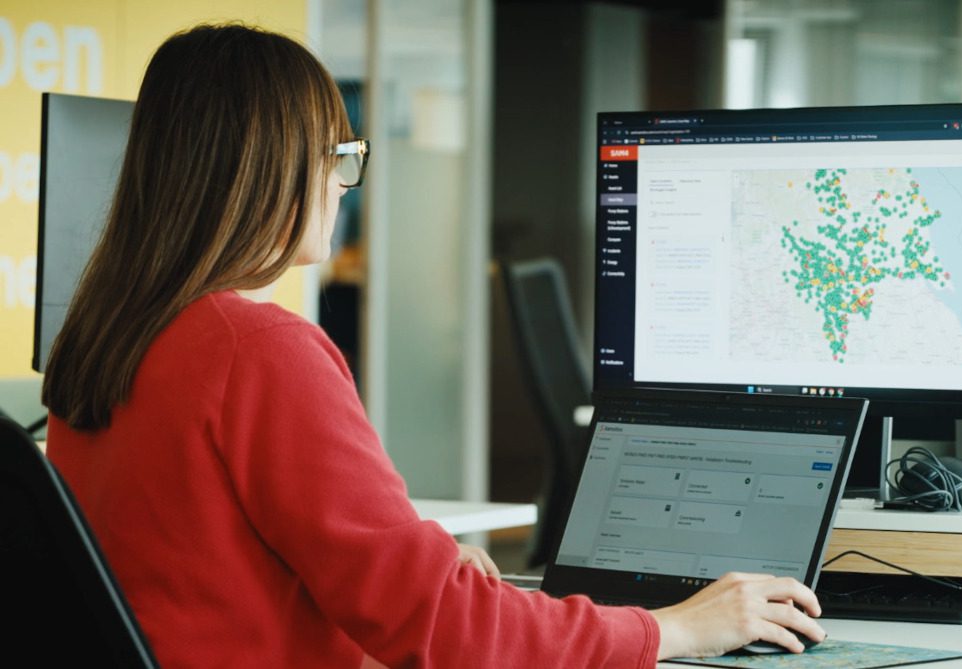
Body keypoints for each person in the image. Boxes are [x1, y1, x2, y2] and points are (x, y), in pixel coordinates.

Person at [42, 23, 825, 668]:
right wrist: (676, 628)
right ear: (266, 168)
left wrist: (421, 577)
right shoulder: (257, 351)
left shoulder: (103, 345)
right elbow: (447, 632)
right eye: (337, 157)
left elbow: (210, 586)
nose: (343, 186)